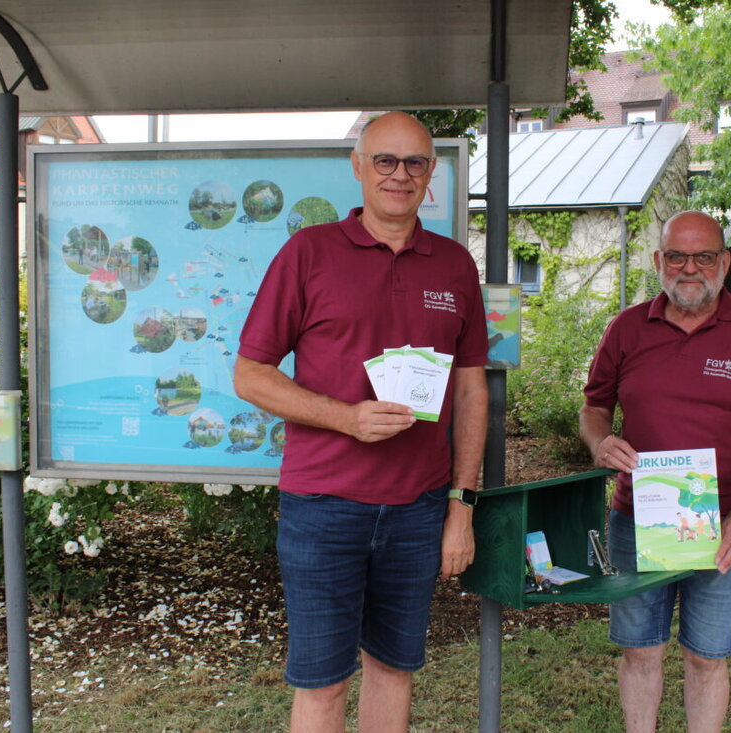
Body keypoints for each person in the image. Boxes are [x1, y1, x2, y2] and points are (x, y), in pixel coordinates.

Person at [234, 111, 489, 733]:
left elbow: (471, 390)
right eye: (385, 160)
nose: (400, 175)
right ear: (358, 167)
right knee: (322, 683)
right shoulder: (308, 253)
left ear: (431, 173)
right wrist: (345, 417)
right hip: (323, 506)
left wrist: (461, 506)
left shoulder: (454, 264)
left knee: (394, 670)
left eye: (415, 163)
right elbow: (250, 374)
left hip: (418, 506)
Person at [579, 210, 731, 733]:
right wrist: (599, 440)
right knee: (640, 652)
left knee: (706, 656)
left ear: (724, 262)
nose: (689, 268)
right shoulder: (627, 327)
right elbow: (594, 407)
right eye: (676, 256)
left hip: (722, 526)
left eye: (704, 256)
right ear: (658, 261)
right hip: (638, 519)